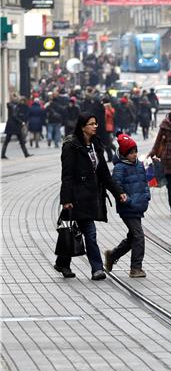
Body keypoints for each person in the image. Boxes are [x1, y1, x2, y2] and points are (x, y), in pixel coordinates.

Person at [55, 113, 126, 280]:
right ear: (82, 127)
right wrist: (66, 200)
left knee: (76, 232)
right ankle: (96, 268)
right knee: (87, 233)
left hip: (91, 197)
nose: (95, 126)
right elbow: (67, 175)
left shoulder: (95, 144)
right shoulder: (71, 145)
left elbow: (104, 174)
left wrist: (118, 192)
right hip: (76, 198)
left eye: (96, 123)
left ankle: (63, 263)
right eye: (91, 124)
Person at [104, 134, 149, 278]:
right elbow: (117, 187)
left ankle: (113, 255)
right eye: (131, 152)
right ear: (124, 154)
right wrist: (127, 201)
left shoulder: (139, 165)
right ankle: (135, 268)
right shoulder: (119, 168)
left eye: (135, 151)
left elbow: (144, 182)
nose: (134, 155)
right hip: (128, 208)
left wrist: (146, 196)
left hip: (138, 206)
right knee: (139, 236)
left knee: (133, 237)